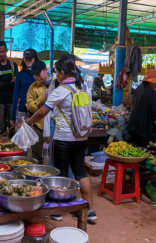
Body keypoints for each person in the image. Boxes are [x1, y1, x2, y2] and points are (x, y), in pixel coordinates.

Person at [26, 57, 97, 222]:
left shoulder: (61, 90)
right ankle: (91, 212)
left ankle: (57, 211)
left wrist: (29, 122)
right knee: (80, 173)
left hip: (63, 139)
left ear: (62, 73)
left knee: (60, 174)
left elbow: (43, 112)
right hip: (81, 138)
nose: (55, 75)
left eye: (56, 72)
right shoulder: (84, 87)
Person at [123, 69, 156, 147]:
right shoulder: (152, 94)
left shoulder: (138, 89)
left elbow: (133, 106)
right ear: (152, 81)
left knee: (135, 152)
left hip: (132, 128)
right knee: (144, 153)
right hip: (143, 131)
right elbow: (154, 114)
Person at [0, 41, 18, 136]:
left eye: (3, 51)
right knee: (0, 128)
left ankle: (13, 148)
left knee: (12, 126)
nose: (1, 54)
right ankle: (1, 148)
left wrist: (0, 84)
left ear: (7, 51)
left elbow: (16, 85)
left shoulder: (13, 65)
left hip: (11, 101)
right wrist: (9, 83)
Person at [26, 60, 52, 164]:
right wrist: (42, 98)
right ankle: (37, 178)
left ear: (45, 70)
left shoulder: (56, 83)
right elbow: (29, 106)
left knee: (54, 156)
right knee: (36, 156)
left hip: (54, 126)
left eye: (38, 74)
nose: (37, 77)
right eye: (34, 75)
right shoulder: (33, 87)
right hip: (39, 126)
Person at [10, 48, 37, 130]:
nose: (28, 60)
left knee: (35, 138)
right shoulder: (20, 75)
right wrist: (13, 116)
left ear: (35, 59)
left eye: (30, 58)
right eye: (26, 58)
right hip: (22, 110)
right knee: (20, 138)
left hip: (37, 111)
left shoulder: (39, 74)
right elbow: (16, 95)